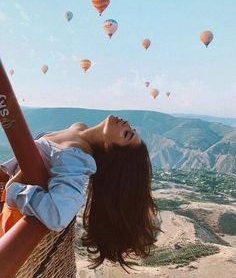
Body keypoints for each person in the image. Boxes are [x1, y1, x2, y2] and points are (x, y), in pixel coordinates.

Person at [0, 115, 160, 270]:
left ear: (111, 150)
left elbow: (57, 214)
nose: (126, 123)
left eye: (126, 134)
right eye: (130, 129)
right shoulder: (79, 128)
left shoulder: (76, 157)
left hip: (15, 217)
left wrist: (13, 189)